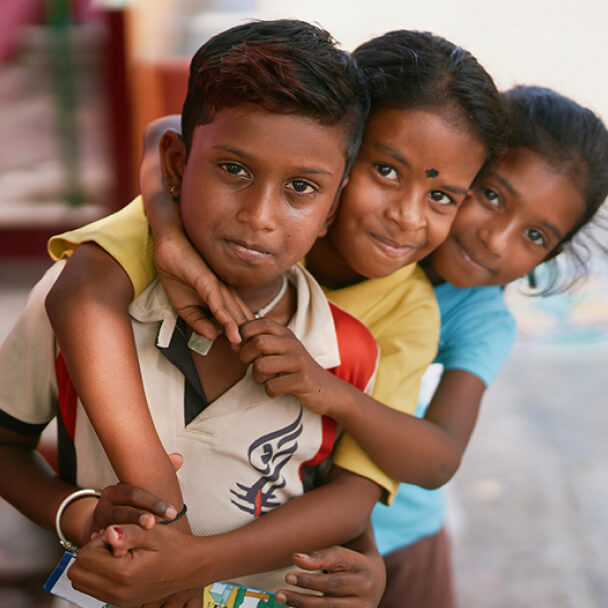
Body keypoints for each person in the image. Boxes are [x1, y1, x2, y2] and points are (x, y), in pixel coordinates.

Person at [43, 29, 507, 606]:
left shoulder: (402, 312)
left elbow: (349, 477)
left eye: (441, 196)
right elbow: (164, 137)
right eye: (386, 171)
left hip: (317, 563)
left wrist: (189, 562)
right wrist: (165, 232)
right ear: (346, 153)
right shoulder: (245, 225)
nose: (406, 218)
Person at [0, 19, 389, 607]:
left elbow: (334, 493)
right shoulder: (80, 297)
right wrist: (77, 517)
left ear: (333, 210)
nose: (259, 215)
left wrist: (364, 564)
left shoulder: (346, 350)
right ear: (178, 166)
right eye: (234, 169)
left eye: (302, 188)